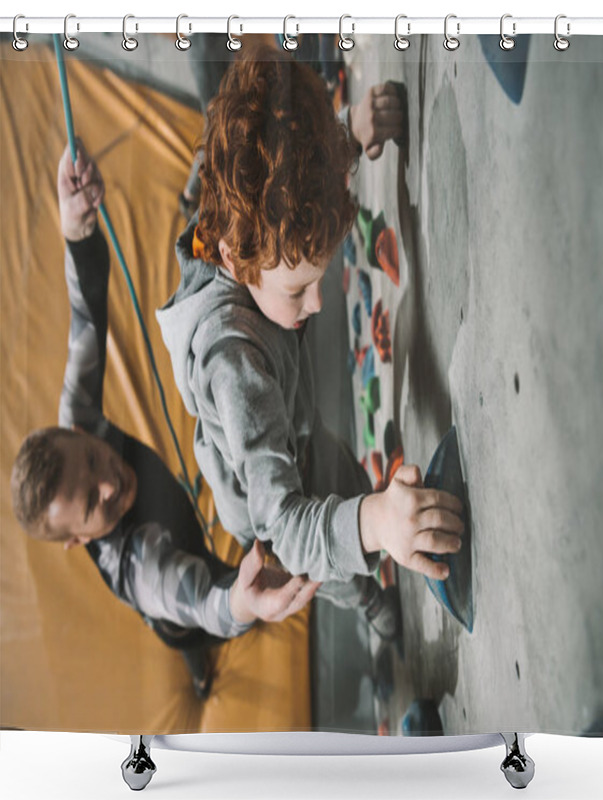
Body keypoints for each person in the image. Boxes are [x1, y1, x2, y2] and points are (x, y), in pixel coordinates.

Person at [156, 49, 465, 635]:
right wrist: (374, 526)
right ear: (235, 262)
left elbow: (293, 168)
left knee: (345, 477)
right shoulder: (233, 361)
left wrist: (348, 134)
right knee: (335, 572)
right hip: (266, 506)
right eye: (298, 289)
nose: (319, 303)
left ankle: (367, 531)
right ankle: (370, 606)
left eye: (320, 277)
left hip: (298, 427)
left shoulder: (252, 227)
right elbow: (289, 531)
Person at [10, 142, 320, 698]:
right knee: (196, 627)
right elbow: (203, 600)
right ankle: (198, 671)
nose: (109, 481)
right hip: (181, 603)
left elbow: (86, 318)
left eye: (90, 460)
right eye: (91, 504)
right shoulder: (139, 566)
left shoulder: (76, 421)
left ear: (78, 434)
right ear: (79, 541)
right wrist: (242, 605)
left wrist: (76, 230)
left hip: (170, 513)